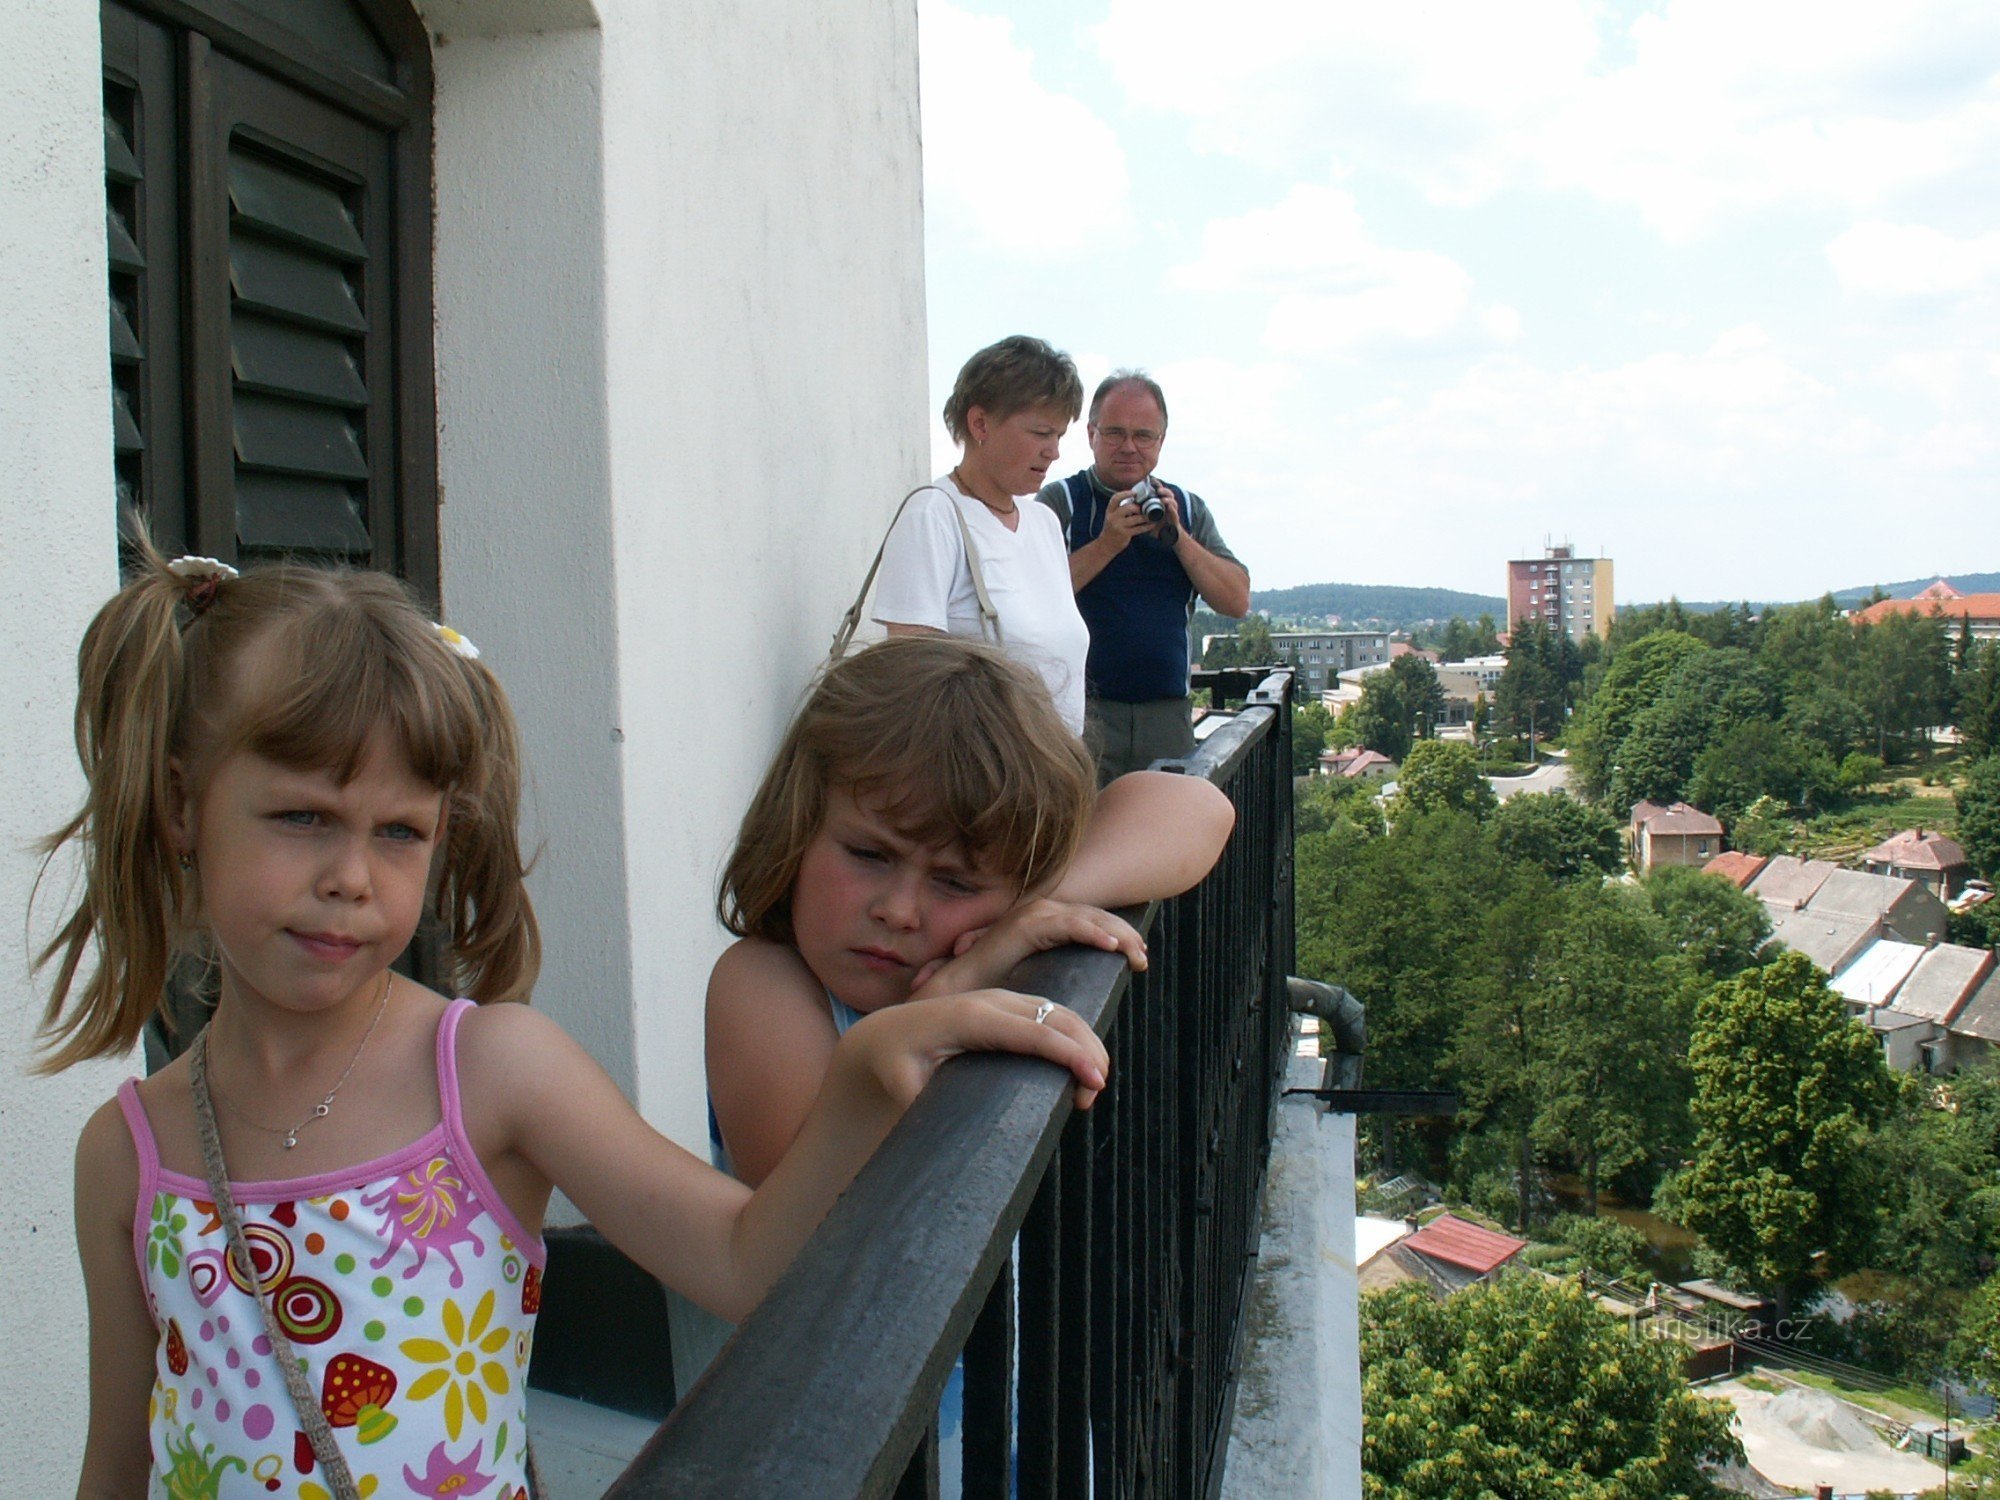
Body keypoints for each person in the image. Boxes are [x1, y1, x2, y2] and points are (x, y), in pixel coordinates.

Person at [41, 544, 1110, 1499]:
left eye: (401, 833)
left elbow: (742, 1261)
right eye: (301, 817)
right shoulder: (126, 1156)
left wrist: (868, 1067)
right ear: (183, 805)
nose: (351, 880)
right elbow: (118, 1464)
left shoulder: (490, 1072)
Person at [706, 636, 1235, 1188]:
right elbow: (811, 1227)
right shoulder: (762, 982)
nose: (899, 911)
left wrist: (1025, 909)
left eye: (955, 883)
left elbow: (1199, 809)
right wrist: (955, 986)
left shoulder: (1007, 910)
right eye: (869, 855)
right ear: (800, 827)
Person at [1036, 370, 1251, 782]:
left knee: (1163, 840)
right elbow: (1032, 597)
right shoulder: (1061, 503)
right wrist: (1107, 543)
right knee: (1084, 839)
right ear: (1091, 434)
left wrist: (1178, 539)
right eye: (1115, 433)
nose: (1129, 447)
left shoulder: (1185, 508)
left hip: (1165, 717)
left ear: (1160, 442)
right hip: (1077, 715)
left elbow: (1236, 600)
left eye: (1143, 436)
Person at [872, 335, 1092, 734]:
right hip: (984, 783)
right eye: (1041, 433)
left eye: (1059, 435)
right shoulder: (934, 515)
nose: (1054, 451)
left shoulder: (1043, 522)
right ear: (980, 424)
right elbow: (908, 685)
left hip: (1054, 776)